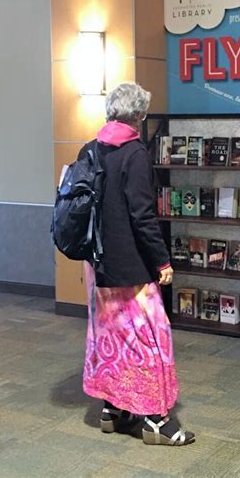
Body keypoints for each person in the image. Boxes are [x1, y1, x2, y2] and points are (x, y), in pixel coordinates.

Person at [79, 82, 194, 446]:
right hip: (131, 270)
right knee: (150, 339)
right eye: (143, 114)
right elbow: (143, 216)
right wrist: (162, 261)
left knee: (112, 338)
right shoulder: (135, 154)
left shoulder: (89, 150)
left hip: (97, 266)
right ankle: (156, 420)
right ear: (137, 117)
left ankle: (114, 409)